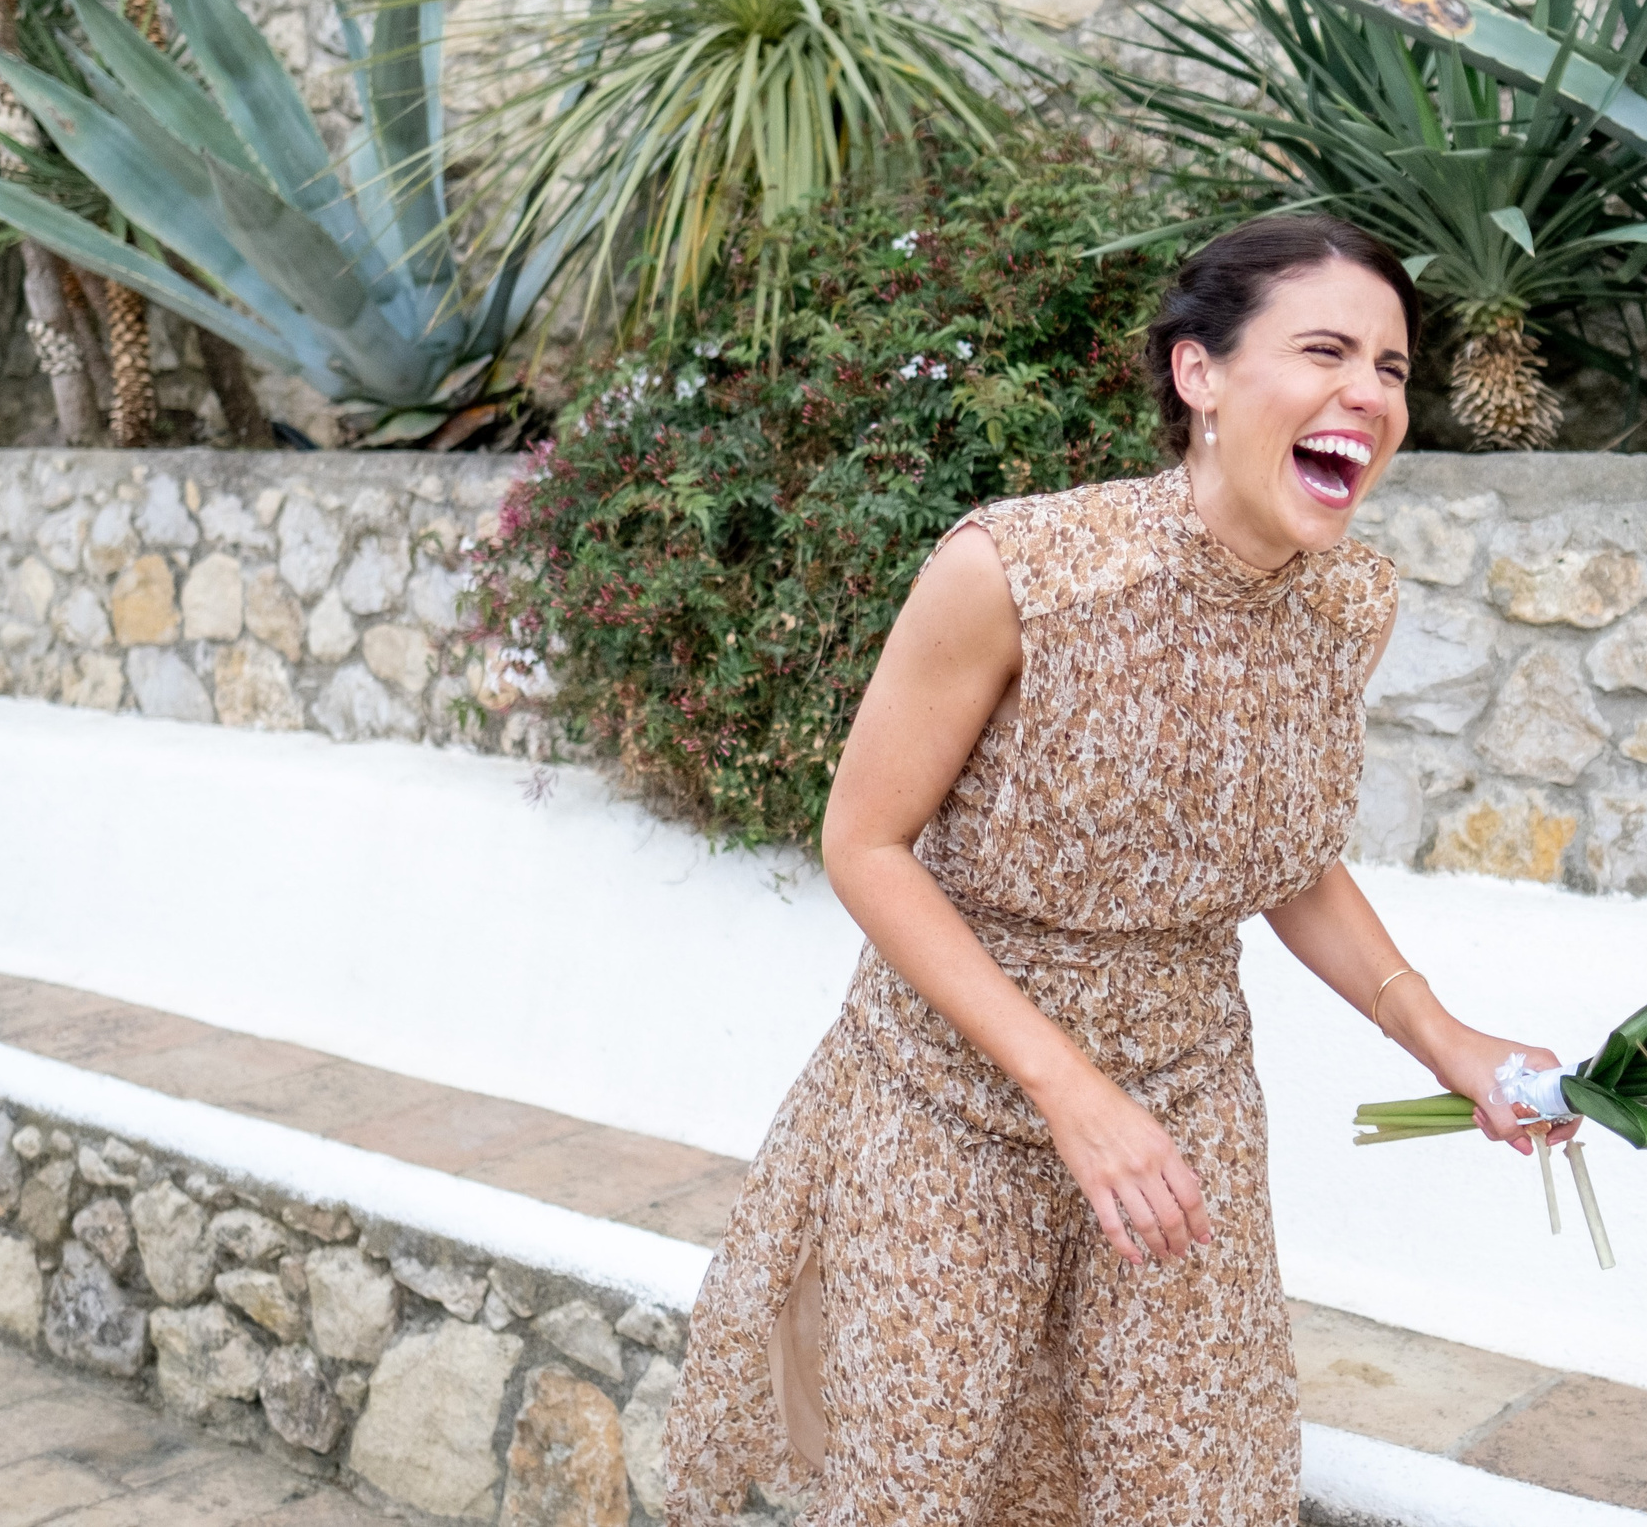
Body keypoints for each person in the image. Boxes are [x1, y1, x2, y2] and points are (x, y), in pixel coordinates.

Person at [664, 216, 1579, 1526]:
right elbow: (862, 843)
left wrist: (1454, 1045)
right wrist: (1068, 1088)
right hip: (945, 1105)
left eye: (1391, 368)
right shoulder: (1016, 571)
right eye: (1326, 350)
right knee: (916, 1488)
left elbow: (1285, 859)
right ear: (1198, 374)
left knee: (1172, 1489)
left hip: (1183, 1120)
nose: (1369, 394)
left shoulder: (1349, 605)